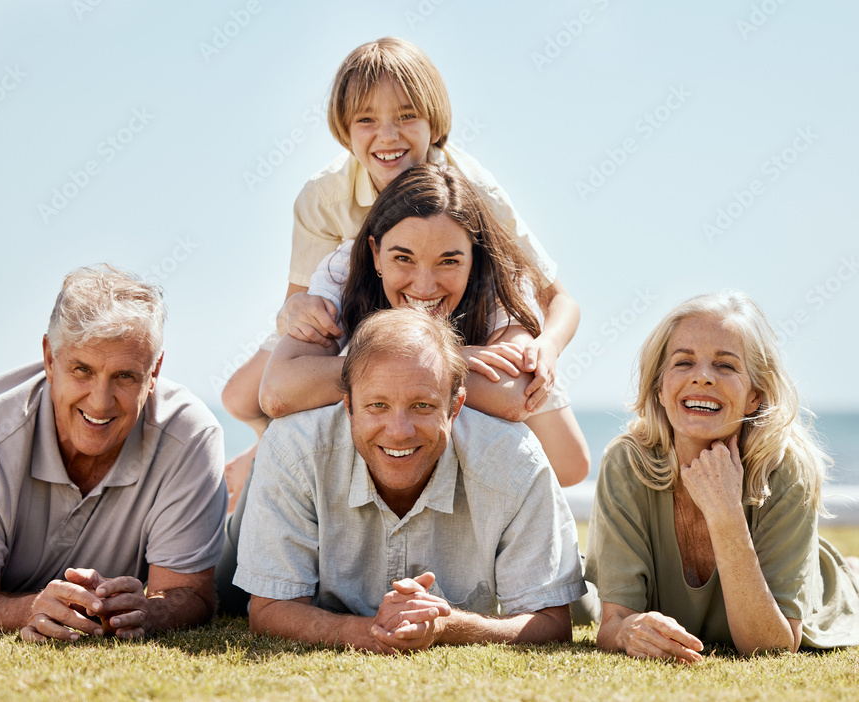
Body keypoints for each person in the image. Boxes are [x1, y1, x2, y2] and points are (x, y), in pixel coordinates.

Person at [221, 37, 582, 500]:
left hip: (460, 312)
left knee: (568, 461)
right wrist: (297, 315)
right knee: (240, 396)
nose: (388, 136)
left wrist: (546, 349)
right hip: (367, 307)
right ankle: (270, 448)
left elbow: (560, 299)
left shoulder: (471, 193)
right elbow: (295, 299)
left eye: (407, 116)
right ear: (345, 131)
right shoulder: (325, 197)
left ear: (435, 124)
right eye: (367, 120)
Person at [0, 265, 227, 641]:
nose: (100, 403)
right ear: (50, 359)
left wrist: (149, 611)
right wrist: (31, 610)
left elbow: (190, 592)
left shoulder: (191, 437)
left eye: (125, 376)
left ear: (154, 372)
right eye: (82, 369)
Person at [233, 307, 585, 652]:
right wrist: (371, 632)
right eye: (377, 406)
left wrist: (447, 625)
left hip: (555, 567)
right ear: (349, 406)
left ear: (455, 406)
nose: (399, 432)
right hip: (234, 547)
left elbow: (551, 622)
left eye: (422, 406)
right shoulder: (294, 447)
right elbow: (268, 610)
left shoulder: (514, 458)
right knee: (222, 592)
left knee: (586, 598)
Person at [258, 163, 589, 487]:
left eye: (449, 261)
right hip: (437, 406)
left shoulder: (497, 277)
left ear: (473, 258)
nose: (424, 286)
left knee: (566, 459)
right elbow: (277, 392)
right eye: (403, 258)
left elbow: (513, 397)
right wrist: (437, 363)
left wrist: (425, 369)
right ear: (375, 252)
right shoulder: (343, 269)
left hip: (532, 456)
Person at [586, 291, 859, 662]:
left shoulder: (787, 469)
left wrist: (724, 511)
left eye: (726, 366)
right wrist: (627, 631)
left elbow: (772, 648)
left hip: (834, 589)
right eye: (683, 362)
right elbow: (614, 623)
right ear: (659, 388)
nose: (702, 378)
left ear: (754, 396)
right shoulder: (626, 463)